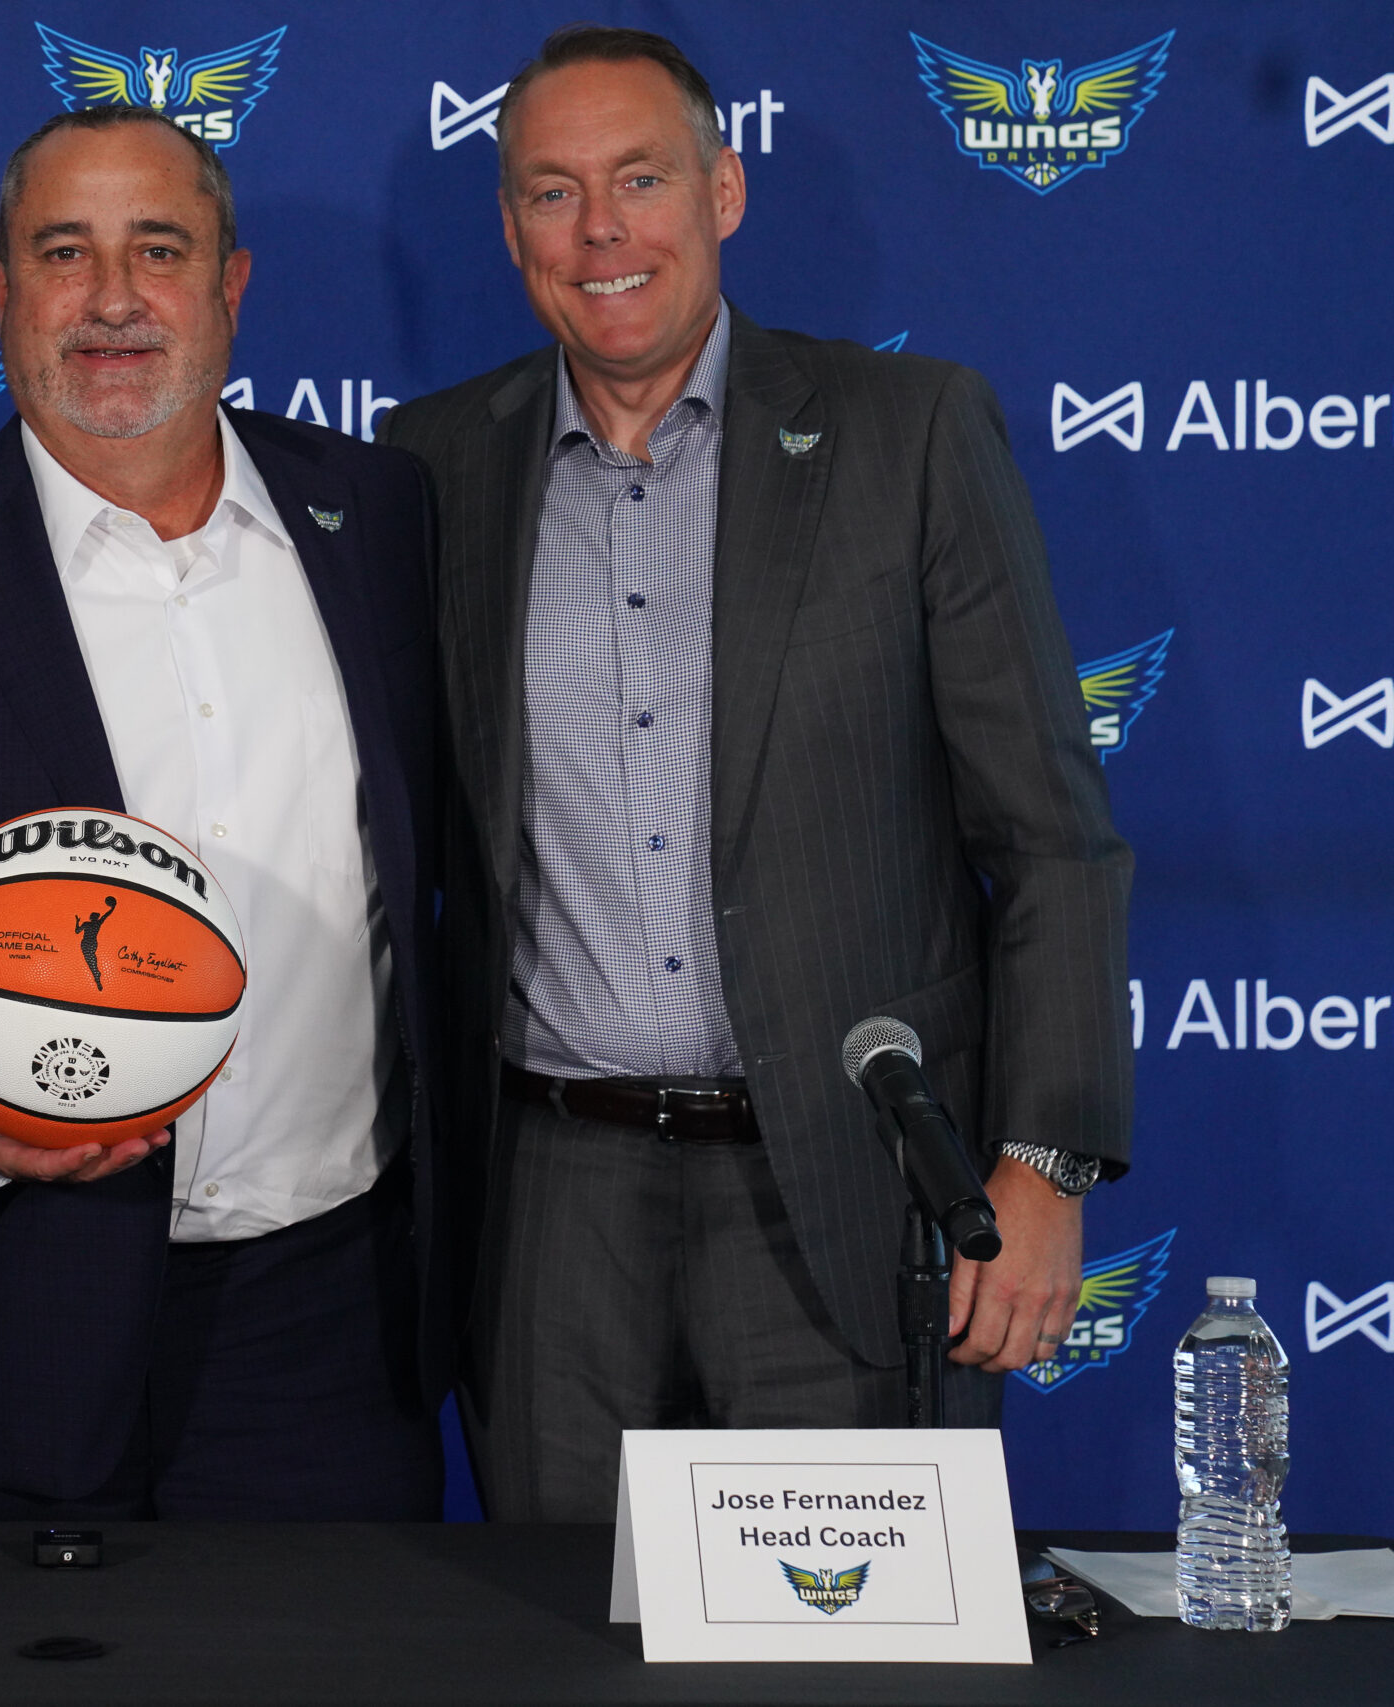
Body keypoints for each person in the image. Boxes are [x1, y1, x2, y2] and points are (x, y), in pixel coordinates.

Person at [379, 25, 1132, 1521]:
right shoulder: (438, 462)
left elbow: (1054, 844)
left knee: (838, 1662)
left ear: (723, 191)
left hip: (842, 1196)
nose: (601, 230)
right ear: (512, 226)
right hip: (548, 1211)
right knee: (558, 1648)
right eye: (551, 191)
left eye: (641, 178)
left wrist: (1045, 1165)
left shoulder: (908, 433)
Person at [0, 107, 450, 1519]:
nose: (113, 300)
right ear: (0, 288)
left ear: (231, 282)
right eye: (63, 252)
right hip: (10, 1325)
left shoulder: (381, 519)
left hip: (338, 1319)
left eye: (159, 247)